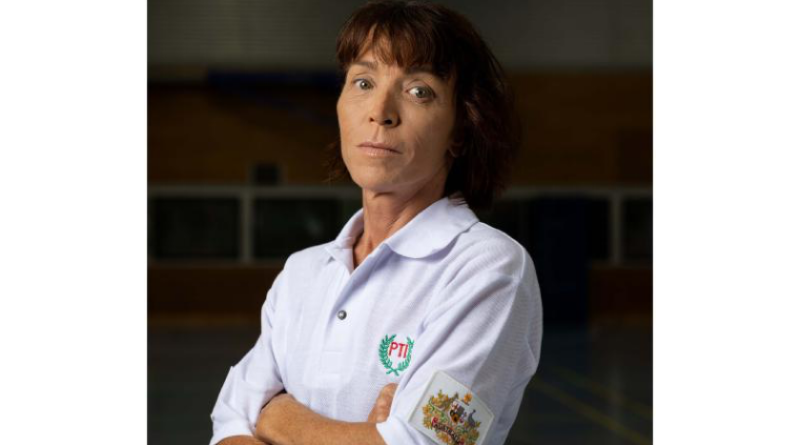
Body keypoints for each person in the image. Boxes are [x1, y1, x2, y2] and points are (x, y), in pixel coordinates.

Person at [209, 1, 543, 444]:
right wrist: (366, 434)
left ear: (461, 130)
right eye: (363, 82)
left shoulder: (490, 269)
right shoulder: (303, 273)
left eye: (419, 90)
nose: (380, 110)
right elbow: (229, 424)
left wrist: (277, 416)